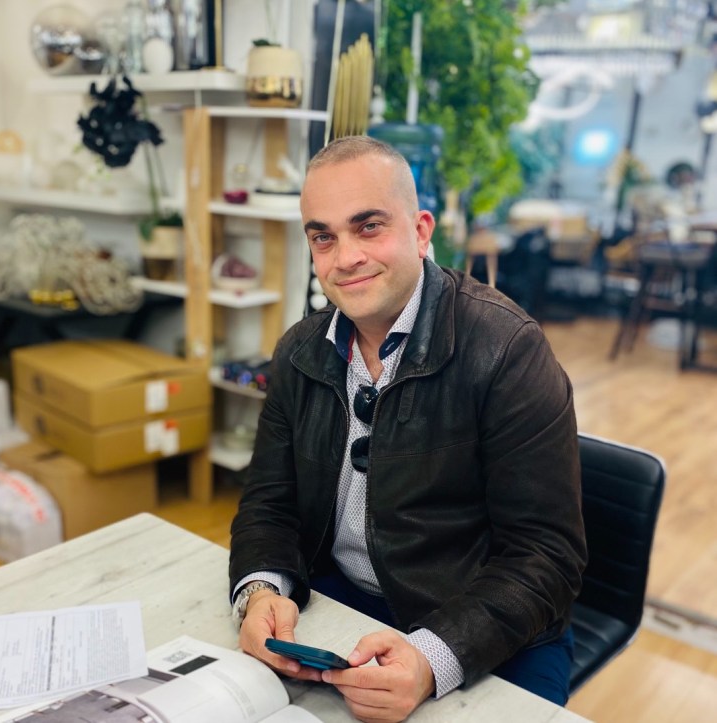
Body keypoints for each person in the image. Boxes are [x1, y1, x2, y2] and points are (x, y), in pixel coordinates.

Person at [229, 136, 587, 722]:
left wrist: (431, 658)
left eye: (368, 227)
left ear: (421, 232)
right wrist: (260, 588)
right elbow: (269, 502)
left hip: (489, 626)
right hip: (343, 602)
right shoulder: (299, 350)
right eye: (323, 237)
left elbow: (546, 556)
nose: (345, 257)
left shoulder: (508, 351)